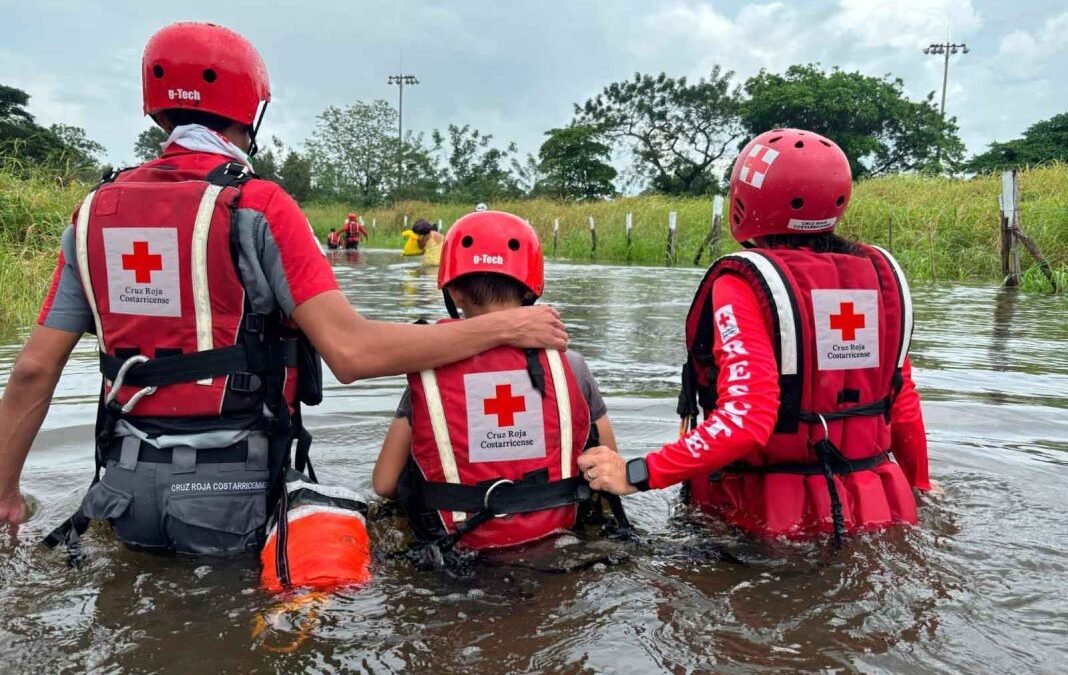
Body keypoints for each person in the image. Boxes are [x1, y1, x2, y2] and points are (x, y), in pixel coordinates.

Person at [0, 22, 566, 558]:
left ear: (155, 105)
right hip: (234, 494)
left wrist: (6, 495)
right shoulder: (259, 205)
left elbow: (32, 370)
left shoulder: (93, 212)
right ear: (252, 107)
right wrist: (505, 326)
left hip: (121, 489)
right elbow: (353, 354)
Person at [579, 129, 931, 543]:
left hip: (769, 519)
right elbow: (902, 401)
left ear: (745, 200)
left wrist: (636, 473)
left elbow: (747, 419)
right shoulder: (880, 276)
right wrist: (921, 486)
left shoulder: (745, 282)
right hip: (882, 509)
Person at [373, 210, 620, 552]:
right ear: (531, 289)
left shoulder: (430, 372)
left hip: (460, 553)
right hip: (557, 543)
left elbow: (385, 482)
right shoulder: (572, 367)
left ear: (454, 292)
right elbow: (608, 461)